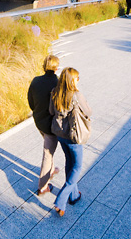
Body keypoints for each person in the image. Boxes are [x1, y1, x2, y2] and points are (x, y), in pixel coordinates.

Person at [49, 67, 92, 217]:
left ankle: (74, 196)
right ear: (72, 80)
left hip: (60, 135)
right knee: (77, 166)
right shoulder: (76, 95)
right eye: (77, 78)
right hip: (73, 137)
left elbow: (50, 111)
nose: (78, 80)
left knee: (69, 162)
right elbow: (88, 112)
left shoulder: (55, 92)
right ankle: (62, 199)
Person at [27, 55, 61, 196]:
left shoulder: (35, 81)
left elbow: (30, 101)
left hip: (39, 121)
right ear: (56, 67)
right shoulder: (58, 83)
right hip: (51, 126)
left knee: (49, 148)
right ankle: (43, 186)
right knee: (48, 153)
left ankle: (51, 170)